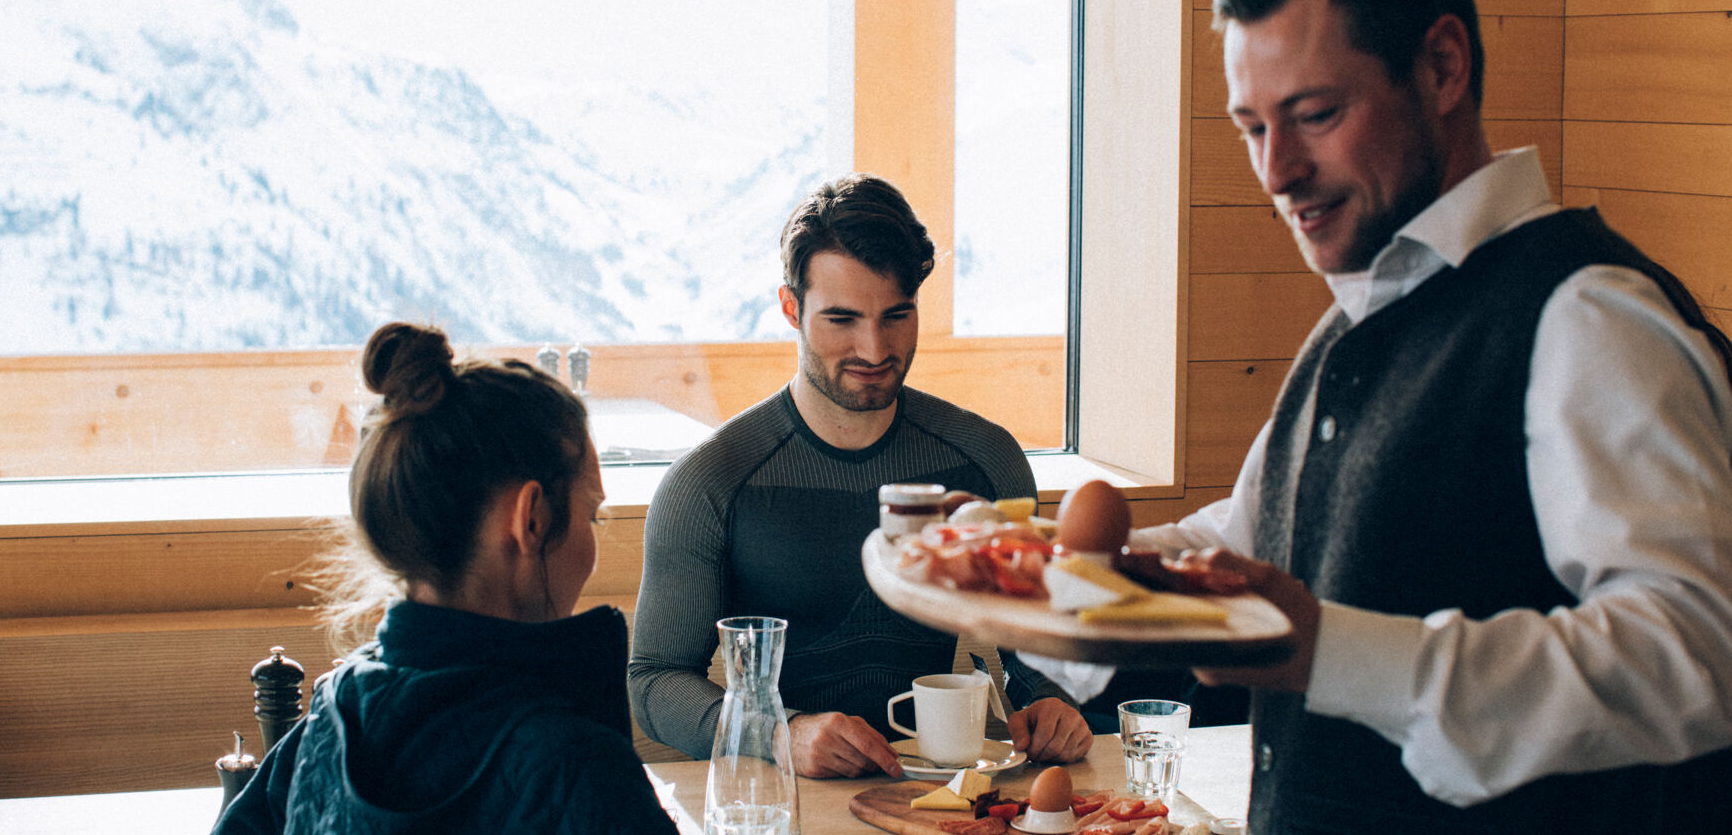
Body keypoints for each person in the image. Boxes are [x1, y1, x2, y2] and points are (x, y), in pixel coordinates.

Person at [1069, 0, 1732, 833]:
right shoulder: (1358, 319)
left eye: (1315, 115)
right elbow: (1248, 543)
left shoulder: (1586, 313)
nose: (1277, 171)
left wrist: (1328, 652)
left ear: (1442, 67)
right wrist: (1020, 568)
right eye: (1252, 128)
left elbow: (1696, 661)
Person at [628, 174, 1093, 778]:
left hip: (939, 796)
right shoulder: (711, 480)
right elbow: (654, 682)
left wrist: (1050, 702)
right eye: (842, 319)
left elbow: (1034, 649)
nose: (874, 349)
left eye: (896, 316)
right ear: (791, 309)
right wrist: (779, 734)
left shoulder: (988, 460)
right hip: (783, 803)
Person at [213, 323, 677, 835]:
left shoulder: (332, 715)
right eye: (591, 513)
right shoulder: (578, 766)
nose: (591, 544)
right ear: (531, 518)